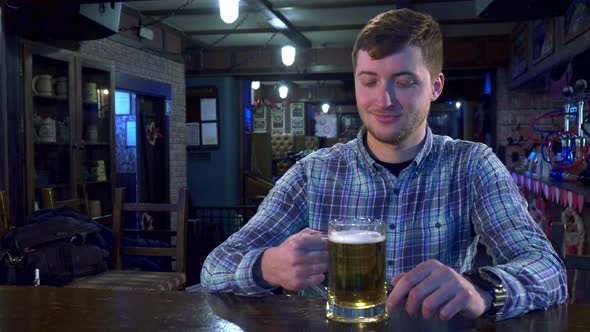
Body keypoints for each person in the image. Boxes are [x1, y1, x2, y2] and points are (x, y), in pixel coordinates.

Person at [200, 8, 567, 321]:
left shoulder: (470, 165)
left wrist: (482, 290)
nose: (384, 99)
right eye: (369, 81)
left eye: (404, 82)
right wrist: (268, 266)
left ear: (436, 87)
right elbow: (215, 267)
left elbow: (549, 270)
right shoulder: (313, 172)